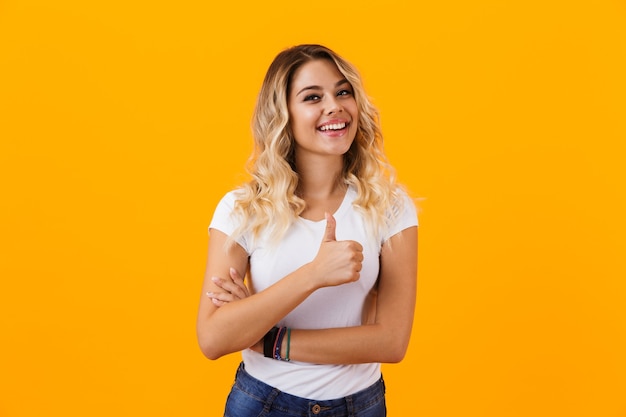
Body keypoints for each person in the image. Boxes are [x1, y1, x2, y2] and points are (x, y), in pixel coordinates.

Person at [196, 44, 418, 417]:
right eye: (312, 97)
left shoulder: (390, 207)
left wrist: (267, 338)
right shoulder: (242, 209)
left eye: (342, 91)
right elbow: (214, 338)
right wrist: (314, 274)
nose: (334, 106)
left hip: (360, 406)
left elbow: (392, 342)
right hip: (262, 404)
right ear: (283, 115)